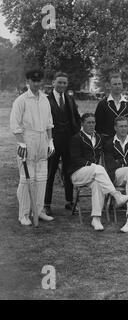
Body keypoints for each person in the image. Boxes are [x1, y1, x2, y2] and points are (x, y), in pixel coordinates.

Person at [69, 113, 128, 231]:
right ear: (82, 123)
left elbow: (115, 140)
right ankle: (116, 195)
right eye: (88, 122)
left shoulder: (99, 137)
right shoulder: (76, 138)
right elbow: (75, 159)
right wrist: (93, 166)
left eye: (93, 122)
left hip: (94, 175)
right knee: (99, 168)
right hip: (78, 173)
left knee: (98, 183)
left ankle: (96, 218)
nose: (91, 125)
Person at [10, 69, 55, 225]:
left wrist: (50, 141)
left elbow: (49, 123)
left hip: (43, 139)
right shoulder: (21, 100)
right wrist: (22, 142)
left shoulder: (45, 99)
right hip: (27, 140)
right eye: (33, 81)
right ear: (27, 81)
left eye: (39, 81)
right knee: (26, 178)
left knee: (42, 178)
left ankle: (38, 210)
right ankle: (23, 214)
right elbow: (15, 126)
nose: (37, 83)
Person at [44, 72, 81, 215]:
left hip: (68, 140)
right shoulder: (46, 99)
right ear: (53, 82)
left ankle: (69, 201)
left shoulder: (70, 99)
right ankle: (46, 204)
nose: (62, 85)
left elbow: (76, 118)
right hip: (52, 140)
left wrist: (76, 134)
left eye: (64, 83)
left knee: (68, 171)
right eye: (59, 82)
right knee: (50, 172)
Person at [94, 73, 128, 140]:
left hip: (123, 141)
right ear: (110, 86)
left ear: (122, 85)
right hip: (106, 141)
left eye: (119, 84)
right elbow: (98, 126)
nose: (117, 86)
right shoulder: (102, 104)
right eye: (115, 84)